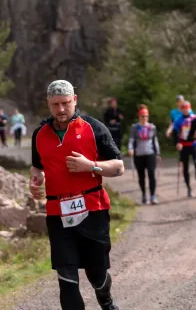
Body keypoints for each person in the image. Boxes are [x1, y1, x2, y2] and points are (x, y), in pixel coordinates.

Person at [30, 80, 124, 310]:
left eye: (65, 103)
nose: (60, 109)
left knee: (97, 275)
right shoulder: (39, 134)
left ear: (75, 100)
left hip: (93, 209)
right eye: (55, 105)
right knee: (67, 279)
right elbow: (37, 166)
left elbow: (119, 167)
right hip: (57, 213)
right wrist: (36, 178)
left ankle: (106, 299)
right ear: (48, 104)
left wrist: (90, 166)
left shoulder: (94, 128)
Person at [128, 104, 161, 205]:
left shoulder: (152, 127)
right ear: (139, 117)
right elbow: (131, 140)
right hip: (139, 155)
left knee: (152, 175)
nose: (144, 118)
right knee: (141, 176)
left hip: (150, 154)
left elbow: (155, 141)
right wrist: (130, 149)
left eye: (146, 116)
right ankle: (143, 195)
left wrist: (158, 153)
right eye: (143, 116)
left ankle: (152, 196)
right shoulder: (135, 128)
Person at [173, 100, 196, 197]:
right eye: (184, 108)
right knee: (185, 168)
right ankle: (189, 189)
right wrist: (177, 143)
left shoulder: (194, 118)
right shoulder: (178, 120)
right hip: (184, 146)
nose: (186, 110)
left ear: (190, 108)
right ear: (181, 110)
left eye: (187, 108)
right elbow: (175, 134)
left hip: (194, 145)